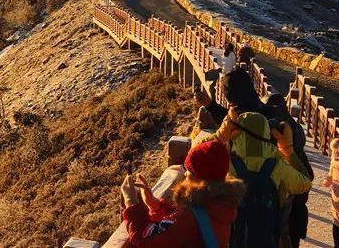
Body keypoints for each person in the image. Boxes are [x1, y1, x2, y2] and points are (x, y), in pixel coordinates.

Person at [208, 110, 312, 248]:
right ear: (267, 134)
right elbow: (306, 182)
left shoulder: (227, 164)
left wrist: (220, 137)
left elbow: (194, 163)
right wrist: (287, 149)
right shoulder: (278, 167)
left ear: (237, 133)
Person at [121, 139, 245, 247]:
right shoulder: (220, 204)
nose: (185, 173)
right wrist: (156, 206)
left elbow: (149, 241)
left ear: (200, 179)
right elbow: (184, 225)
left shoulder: (189, 217)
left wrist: (131, 202)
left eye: (189, 170)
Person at [265, 93, 314, 248]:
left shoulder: (276, 127)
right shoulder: (294, 125)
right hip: (298, 210)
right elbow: (308, 178)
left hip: (281, 212)